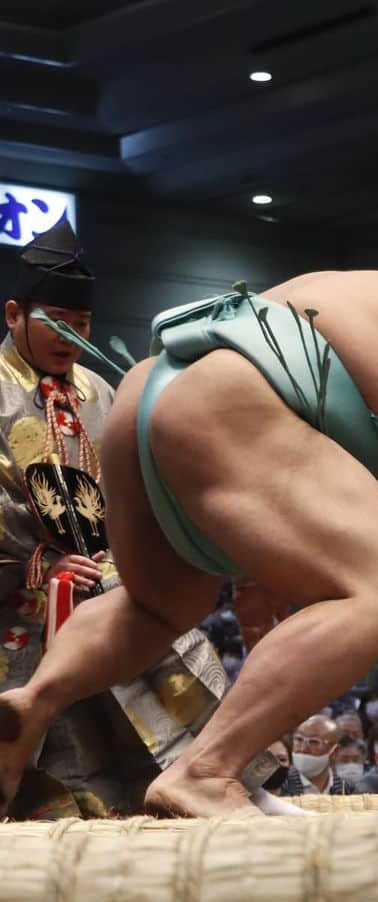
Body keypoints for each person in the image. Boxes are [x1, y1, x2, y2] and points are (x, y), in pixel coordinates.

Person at [0, 257, 378, 817]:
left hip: (154, 388)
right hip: (236, 401)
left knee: (157, 604)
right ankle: (208, 770)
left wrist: (260, 562)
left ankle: (33, 701)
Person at [0, 219, 242, 815]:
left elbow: (133, 489)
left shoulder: (103, 392)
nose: (69, 336)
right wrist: (39, 564)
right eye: (55, 320)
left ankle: (212, 779)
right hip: (15, 601)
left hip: (103, 589)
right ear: (13, 314)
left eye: (81, 325)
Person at [283, 714, 355, 796]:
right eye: (299, 740)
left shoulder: (345, 789)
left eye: (314, 742)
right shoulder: (279, 783)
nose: (303, 749)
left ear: (335, 752)